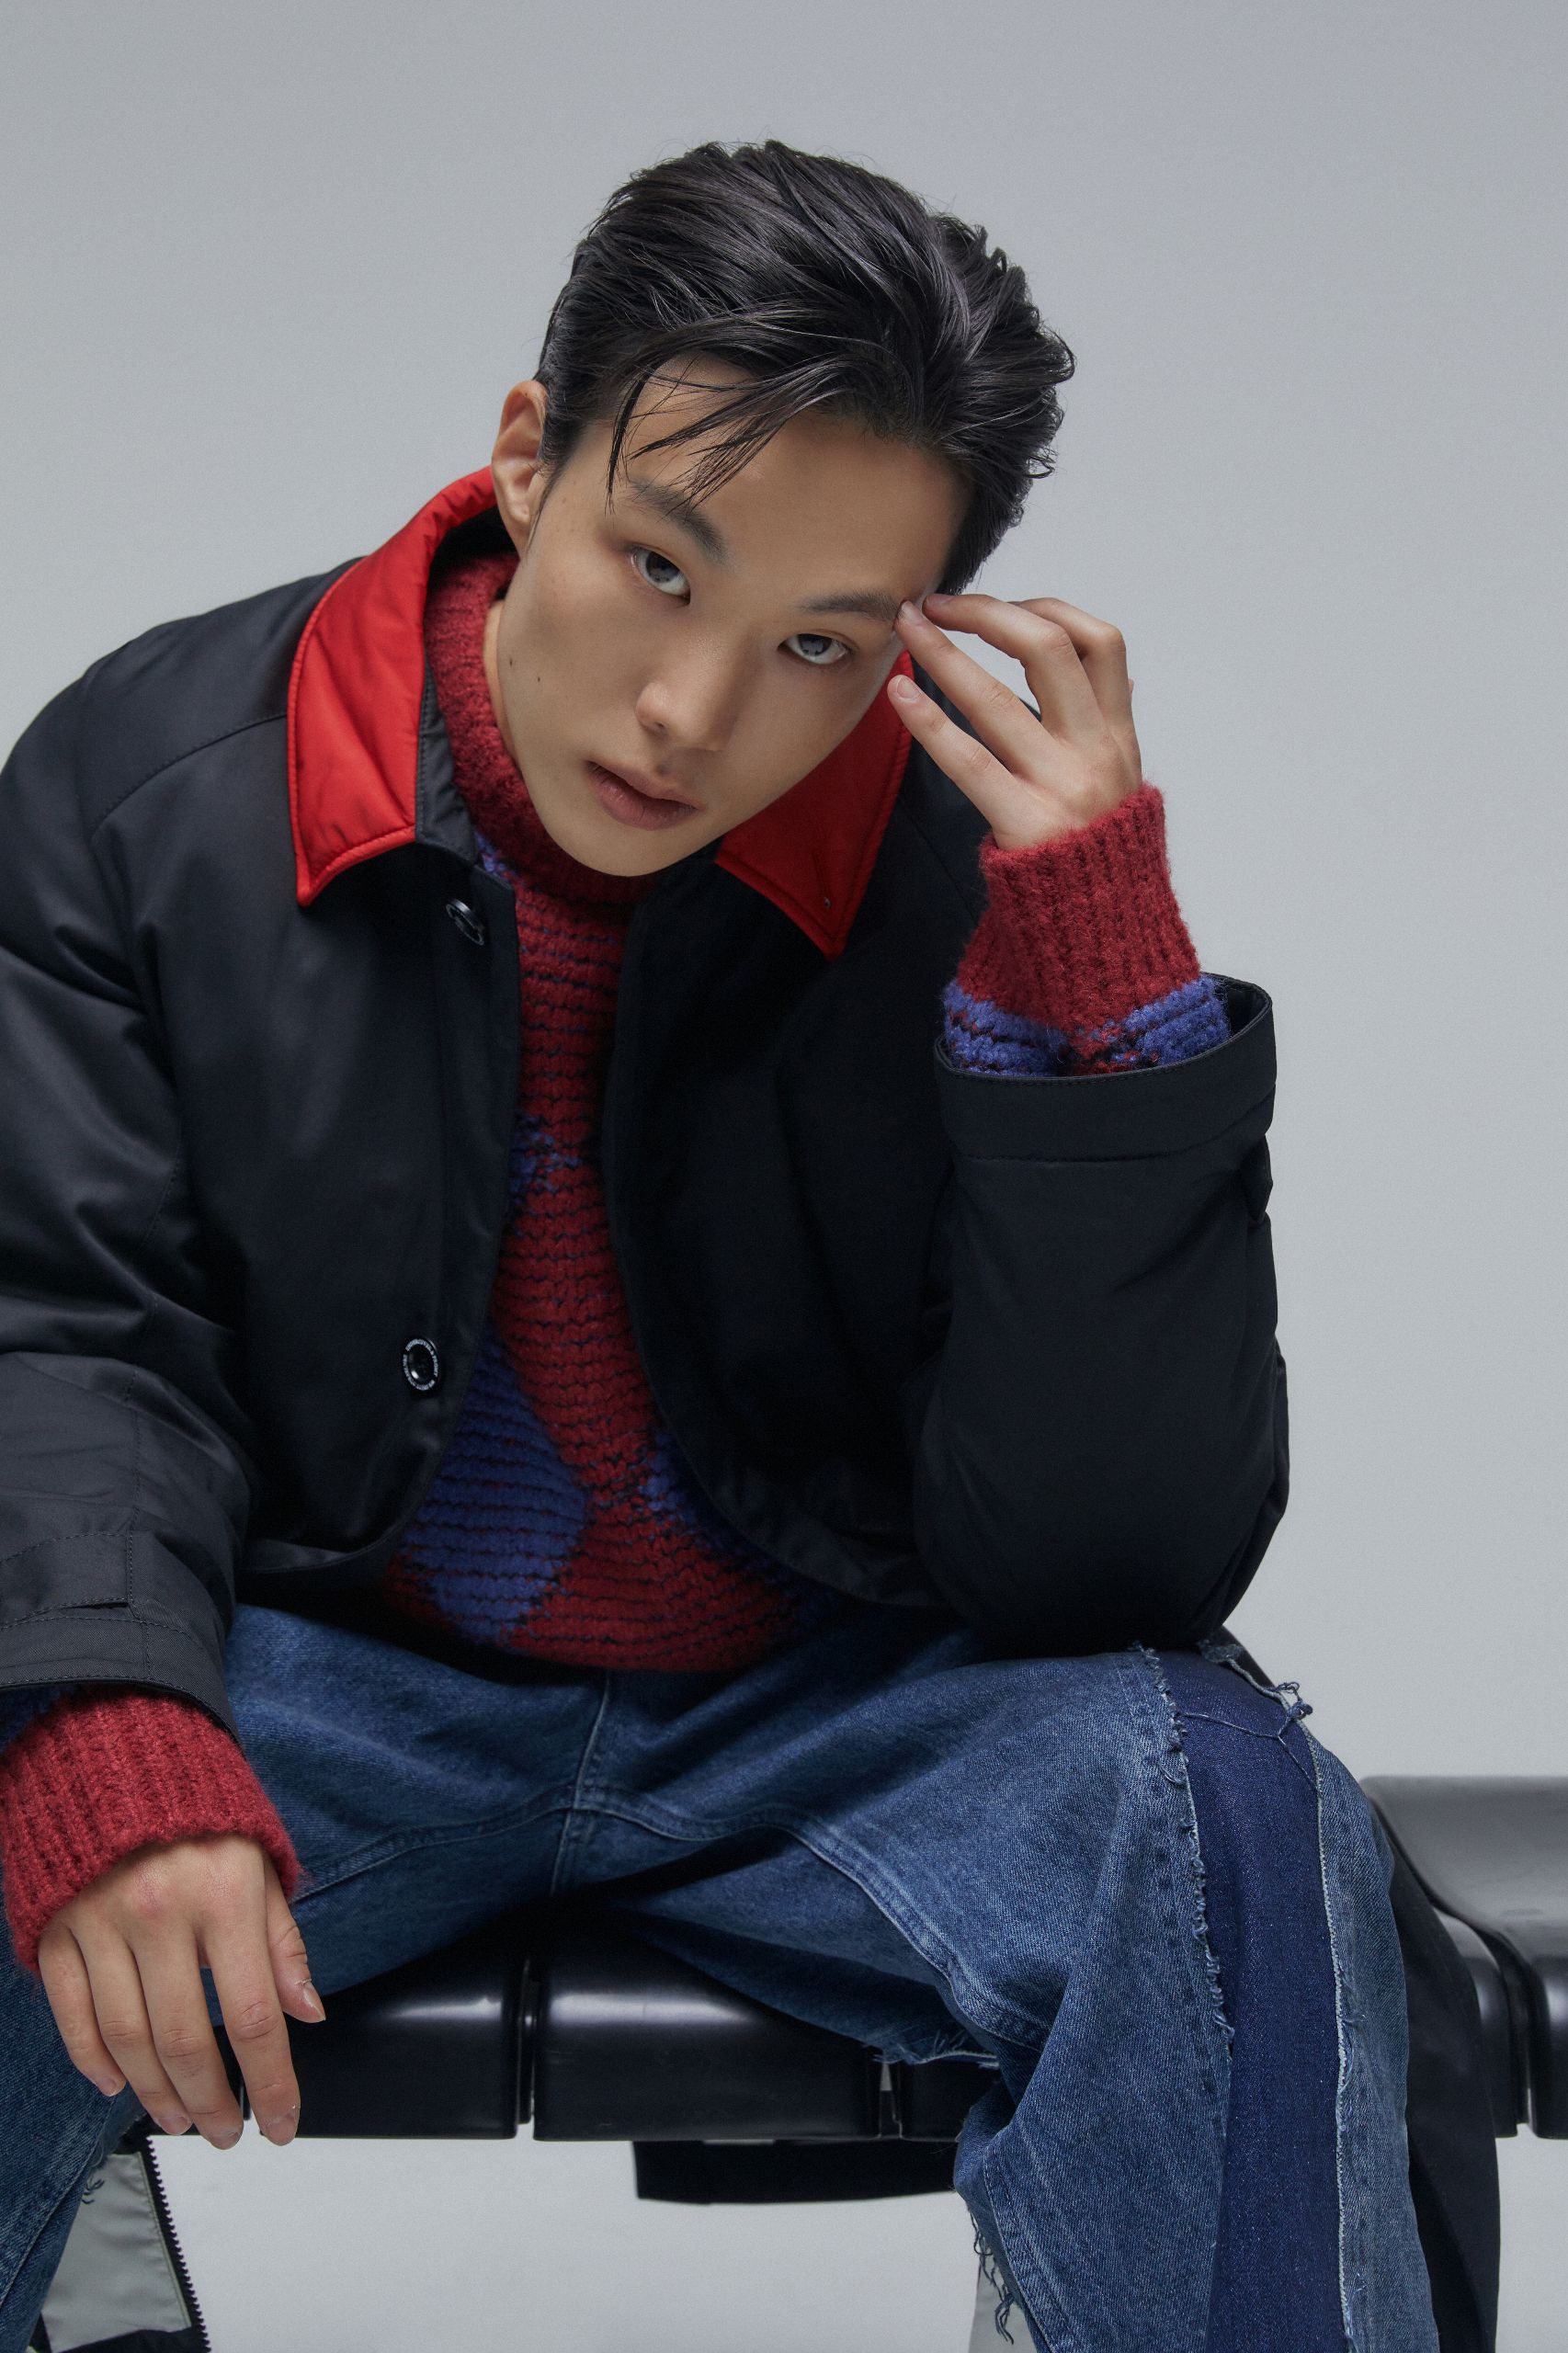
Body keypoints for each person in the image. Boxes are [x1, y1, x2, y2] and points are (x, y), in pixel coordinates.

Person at [0, 137, 1452, 2351]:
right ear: (526, 457)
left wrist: (1103, 1013)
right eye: (657, 564)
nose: (695, 709)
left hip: (822, 1702)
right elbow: (58, 1318)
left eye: (817, 643)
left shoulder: (967, 877)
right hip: (330, 1675)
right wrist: (104, 1717)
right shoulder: (156, 785)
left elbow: (1113, 1568)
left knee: (1219, 1819)